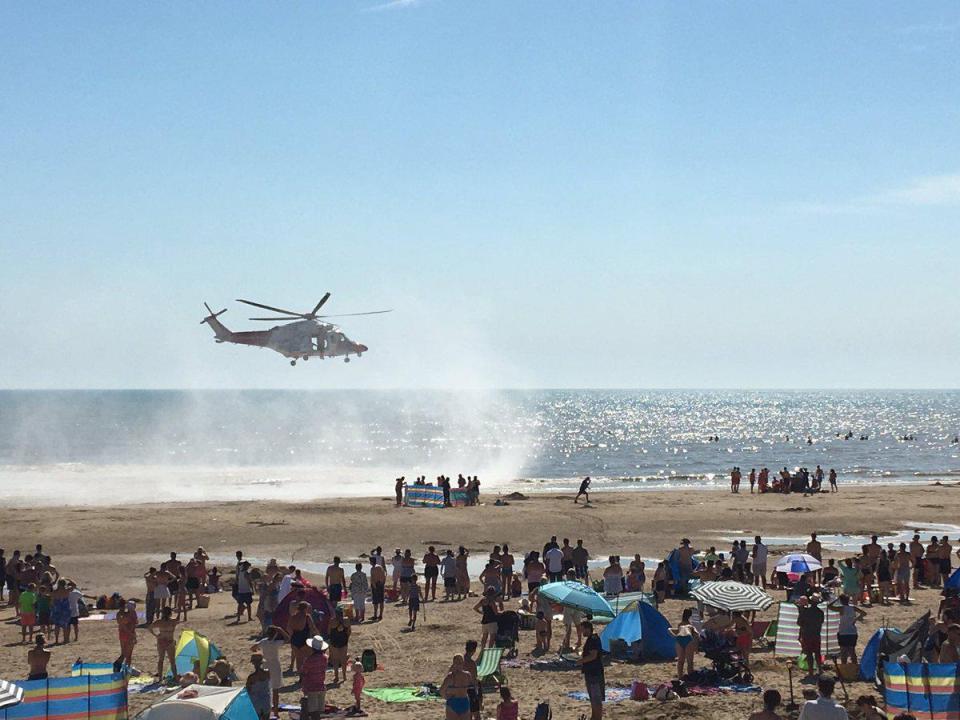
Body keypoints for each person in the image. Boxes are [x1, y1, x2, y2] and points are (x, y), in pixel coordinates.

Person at [252, 625, 289, 718]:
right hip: (275, 666)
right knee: (275, 690)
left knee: (266, 689)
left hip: (265, 665)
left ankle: (267, 710)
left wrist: (259, 652)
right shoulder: (276, 643)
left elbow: (253, 647)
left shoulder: (263, 642)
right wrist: (281, 629)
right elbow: (288, 639)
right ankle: (276, 712)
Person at [829, 594, 866, 664]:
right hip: (852, 632)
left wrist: (836, 600)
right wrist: (856, 619)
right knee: (852, 651)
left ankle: (844, 667)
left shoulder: (841, 608)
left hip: (843, 632)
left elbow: (829, 606)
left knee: (843, 652)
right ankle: (855, 667)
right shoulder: (853, 608)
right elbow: (864, 613)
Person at [579, 620, 604, 720]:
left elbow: (593, 655)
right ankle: (594, 717)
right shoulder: (590, 639)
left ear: (587, 629)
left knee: (596, 698)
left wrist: (581, 661)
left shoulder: (593, 639)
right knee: (593, 698)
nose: (582, 632)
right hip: (590, 672)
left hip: (594, 672)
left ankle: (597, 717)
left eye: (583, 629)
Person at [302, 635, 329, 720]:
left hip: (311, 687)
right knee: (318, 710)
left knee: (313, 711)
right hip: (321, 685)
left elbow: (304, 672)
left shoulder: (309, 660)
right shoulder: (325, 658)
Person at [287, 600, 319, 672]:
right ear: (305, 608)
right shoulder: (307, 616)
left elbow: (288, 628)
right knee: (308, 658)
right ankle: (307, 675)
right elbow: (312, 628)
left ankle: (300, 677)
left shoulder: (293, 617)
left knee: (299, 659)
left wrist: (292, 636)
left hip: (295, 639)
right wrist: (318, 635)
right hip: (305, 639)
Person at [797, 597, 824, 679]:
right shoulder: (820, 612)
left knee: (809, 654)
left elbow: (799, 623)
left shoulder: (806, 612)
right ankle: (819, 669)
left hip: (807, 635)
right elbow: (821, 622)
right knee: (817, 653)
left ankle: (811, 672)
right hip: (816, 634)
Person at [148, 606, 178, 680]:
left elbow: (149, 628)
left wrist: (156, 635)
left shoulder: (159, 622)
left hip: (161, 641)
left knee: (161, 660)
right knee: (172, 661)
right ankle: (175, 676)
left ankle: (160, 678)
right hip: (170, 642)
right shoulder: (173, 621)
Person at [440, 654, 473, 720]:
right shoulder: (467, 675)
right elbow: (471, 687)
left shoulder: (451, 676)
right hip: (462, 702)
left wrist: (446, 696)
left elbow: (441, 691)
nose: (458, 665)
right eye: (458, 663)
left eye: (459, 663)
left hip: (455, 702)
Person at [672, 608, 699, 679]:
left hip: (679, 638)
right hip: (688, 638)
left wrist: (674, 635)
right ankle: (691, 676)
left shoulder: (680, 624)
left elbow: (672, 630)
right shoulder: (690, 625)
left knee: (680, 661)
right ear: (690, 616)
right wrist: (696, 647)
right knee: (690, 661)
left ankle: (680, 677)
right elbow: (697, 634)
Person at [246, 654, 272, 720]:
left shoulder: (251, 677)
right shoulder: (267, 672)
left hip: (256, 703)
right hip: (266, 701)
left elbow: (248, 690)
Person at [463, 640, 481, 720]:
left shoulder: (459, 660)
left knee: (467, 714)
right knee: (476, 715)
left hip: (461, 689)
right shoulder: (471, 663)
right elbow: (474, 679)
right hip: (470, 690)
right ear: (474, 650)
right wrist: (478, 693)